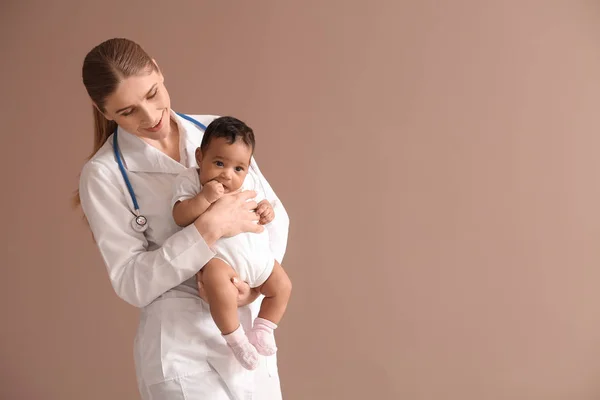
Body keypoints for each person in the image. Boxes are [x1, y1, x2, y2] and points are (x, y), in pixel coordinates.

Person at [74, 37, 289, 399]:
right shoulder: (104, 175)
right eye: (127, 111)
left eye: (153, 93)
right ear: (104, 110)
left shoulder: (216, 132)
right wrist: (209, 228)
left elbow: (274, 216)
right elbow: (131, 281)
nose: (150, 116)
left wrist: (250, 288)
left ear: (158, 70)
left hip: (248, 338)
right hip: (180, 351)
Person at [171, 116, 292, 371]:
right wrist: (204, 198)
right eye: (218, 163)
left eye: (238, 168)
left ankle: (264, 328)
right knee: (216, 282)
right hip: (222, 261)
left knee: (283, 286)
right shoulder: (190, 182)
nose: (227, 174)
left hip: (257, 258)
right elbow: (180, 216)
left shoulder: (250, 182)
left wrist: (266, 209)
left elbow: (268, 208)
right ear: (199, 157)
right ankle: (235, 338)